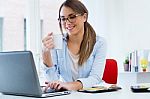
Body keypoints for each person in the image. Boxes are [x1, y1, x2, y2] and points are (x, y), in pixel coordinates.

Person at [42, 0, 107, 91]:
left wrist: (69, 85)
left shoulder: (99, 43)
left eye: (72, 17)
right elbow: (52, 81)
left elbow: (95, 78)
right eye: (63, 19)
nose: (67, 23)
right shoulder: (57, 42)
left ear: (84, 17)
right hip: (67, 95)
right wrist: (45, 53)